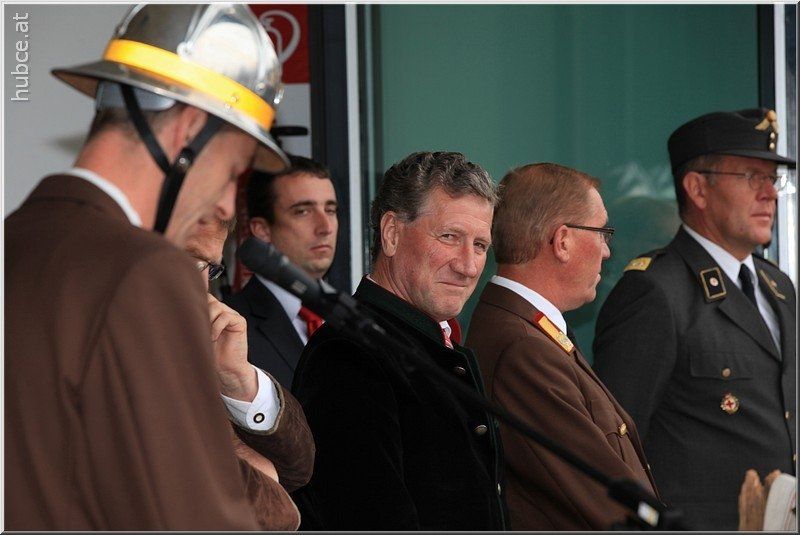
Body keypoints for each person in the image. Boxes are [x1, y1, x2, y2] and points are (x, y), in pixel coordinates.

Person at [5, 4, 300, 530]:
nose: (226, 206)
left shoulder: (14, 241)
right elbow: (199, 518)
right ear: (189, 128)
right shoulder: (143, 272)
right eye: (232, 171)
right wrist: (264, 489)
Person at [593, 108, 796, 530]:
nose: (770, 194)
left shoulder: (778, 286)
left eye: (772, 179)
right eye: (751, 177)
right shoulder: (655, 290)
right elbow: (616, 448)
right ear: (698, 188)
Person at [291, 151, 508, 530]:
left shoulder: (426, 343)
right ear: (391, 233)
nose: (468, 266)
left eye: (479, 245)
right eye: (450, 237)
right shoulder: (349, 353)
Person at [466, 163, 659, 530]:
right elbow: (603, 498)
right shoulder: (523, 347)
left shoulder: (530, 331)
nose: (606, 251)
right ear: (563, 241)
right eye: (602, 232)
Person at [184, 216, 316, 530]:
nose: (202, 287)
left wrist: (239, 379)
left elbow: (300, 468)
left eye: (210, 269)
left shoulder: (205, 339)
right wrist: (257, 468)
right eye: (191, 262)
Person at [226, 153, 338, 388]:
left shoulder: (356, 318)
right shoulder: (231, 328)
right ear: (261, 230)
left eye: (330, 210)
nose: (325, 227)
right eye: (303, 211)